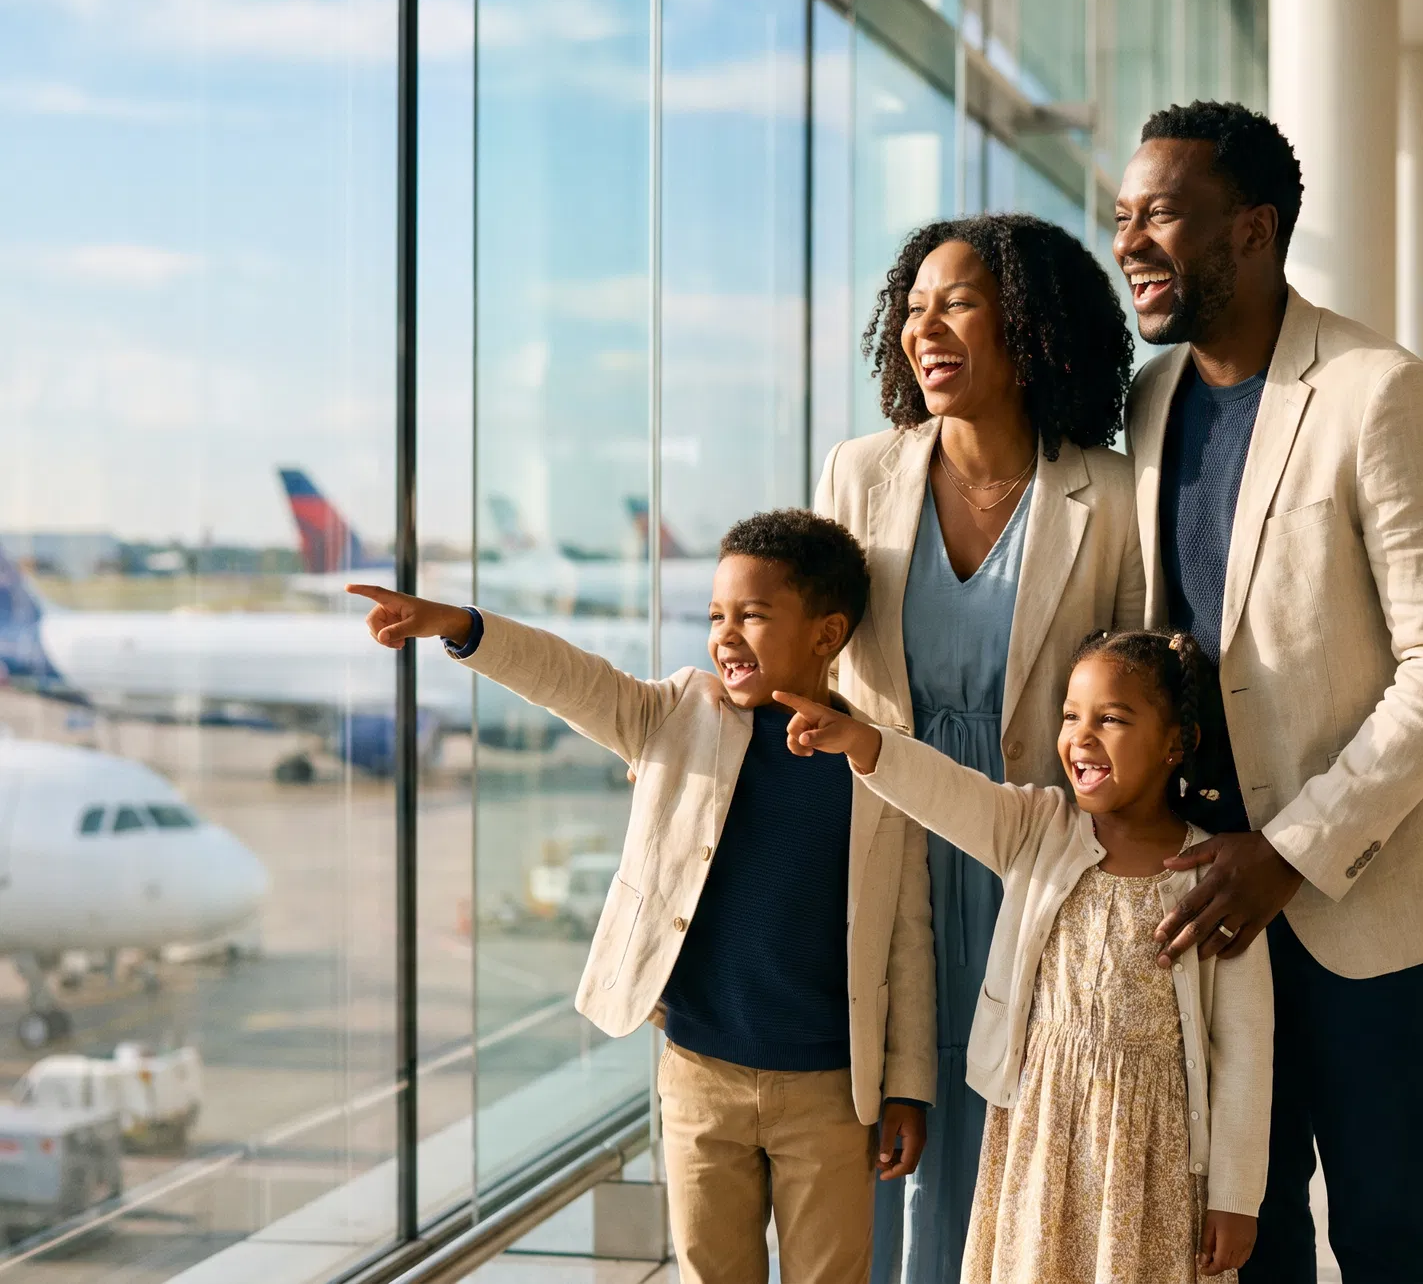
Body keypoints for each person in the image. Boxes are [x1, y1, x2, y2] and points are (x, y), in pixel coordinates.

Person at [1115, 100, 1423, 1282]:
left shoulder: (1380, 392)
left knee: (1387, 1228)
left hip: (1364, 889)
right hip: (1207, 895)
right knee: (1242, 1227)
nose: (1129, 241)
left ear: (1252, 229)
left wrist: (1291, 849)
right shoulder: (1146, 406)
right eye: (1121, 215)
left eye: (1161, 214)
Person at [346, 511, 935, 1284]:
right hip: (699, 1075)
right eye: (717, 616)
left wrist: (908, 1087)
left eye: (753, 616)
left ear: (827, 634)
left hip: (830, 1089)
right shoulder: (678, 716)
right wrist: (461, 626)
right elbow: (571, 678)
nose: (726, 636)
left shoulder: (877, 762)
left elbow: (907, 936)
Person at [814, 212, 1145, 1283]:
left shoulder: (1111, 495)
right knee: (883, 1153)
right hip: (892, 859)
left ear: (1030, 326)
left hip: (1038, 871)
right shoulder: (860, 473)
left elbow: (1140, 703)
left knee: (1028, 1167)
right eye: (913, 309)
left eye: (957, 304)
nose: (926, 328)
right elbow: (812, 668)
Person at [777, 629, 1272, 1282]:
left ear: (1176, 743)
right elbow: (948, 792)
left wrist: (1236, 1199)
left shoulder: (1214, 878)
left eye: (1112, 719)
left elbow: (1245, 1052)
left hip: (1155, 1162)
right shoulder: (1039, 830)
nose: (1082, 736)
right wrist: (861, 743)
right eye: (1070, 716)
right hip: (1041, 1137)